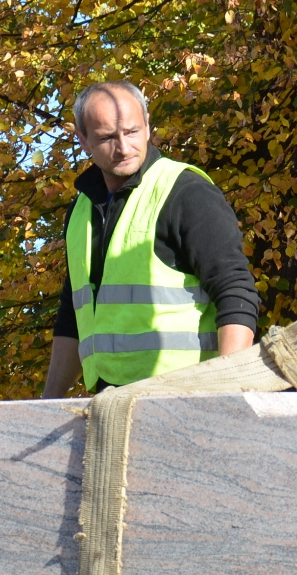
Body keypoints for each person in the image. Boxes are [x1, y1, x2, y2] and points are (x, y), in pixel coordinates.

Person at [42, 82, 260, 396]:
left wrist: (229, 394)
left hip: (189, 396)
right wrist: (47, 403)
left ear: (147, 126)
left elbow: (236, 292)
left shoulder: (185, 192)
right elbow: (73, 315)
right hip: (112, 400)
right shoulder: (81, 210)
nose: (123, 147)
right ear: (83, 140)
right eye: (106, 137)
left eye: (131, 132)